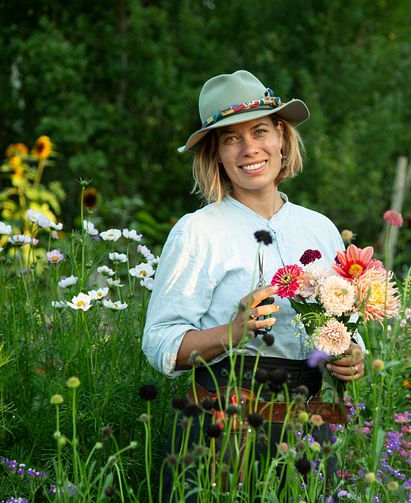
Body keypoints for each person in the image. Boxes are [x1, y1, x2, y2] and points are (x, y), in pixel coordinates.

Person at [141, 70, 365, 500]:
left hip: (310, 424)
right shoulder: (197, 232)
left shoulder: (320, 229)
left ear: (281, 136)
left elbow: (347, 328)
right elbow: (160, 343)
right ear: (216, 154)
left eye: (260, 130)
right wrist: (234, 332)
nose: (249, 149)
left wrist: (350, 356)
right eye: (231, 139)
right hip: (222, 426)